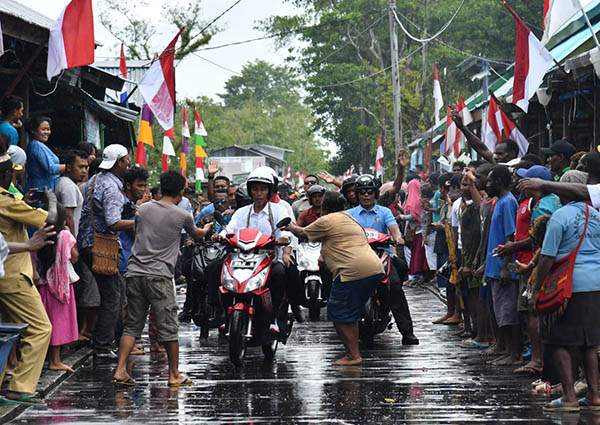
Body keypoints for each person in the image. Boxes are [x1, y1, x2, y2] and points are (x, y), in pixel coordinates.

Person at [113, 171, 212, 387]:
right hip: (159, 275)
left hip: (135, 272)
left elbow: (138, 233)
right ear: (181, 192)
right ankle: (174, 374)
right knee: (168, 326)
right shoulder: (181, 215)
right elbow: (195, 235)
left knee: (132, 325)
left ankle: (120, 370)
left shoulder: (142, 210)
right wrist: (206, 230)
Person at [285, 191, 384, 365]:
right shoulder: (349, 218)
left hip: (350, 272)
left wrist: (289, 226)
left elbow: (302, 233)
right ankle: (353, 354)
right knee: (350, 314)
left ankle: (353, 355)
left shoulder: (327, 220)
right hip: (374, 268)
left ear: (325, 207)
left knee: (337, 313)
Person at [0, 153, 57, 407]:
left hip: (7, 272)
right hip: (13, 276)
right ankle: (20, 388)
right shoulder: (6, 201)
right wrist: (53, 200)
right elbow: (51, 220)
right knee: (40, 328)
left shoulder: (10, 200)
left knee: (7, 335)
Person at [533, 198, 600, 412]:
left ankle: (569, 397)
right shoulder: (596, 215)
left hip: (569, 285)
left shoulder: (560, 217)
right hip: (596, 282)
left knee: (558, 340)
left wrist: (536, 289)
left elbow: (547, 256)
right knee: (589, 343)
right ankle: (594, 395)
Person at [218, 166, 294, 333]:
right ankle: (222, 314)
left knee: (281, 273)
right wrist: (221, 235)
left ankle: (274, 318)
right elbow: (230, 229)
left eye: (263, 189)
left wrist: (284, 243)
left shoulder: (279, 210)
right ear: (250, 191)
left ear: (269, 191)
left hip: (269, 259)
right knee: (214, 268)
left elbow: (287, 234)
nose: (259, 193)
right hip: (242, 258)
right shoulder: (242, 212)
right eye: (255, 189)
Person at [347, 174, 418, 345]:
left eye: (369, 192)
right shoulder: (348, 214)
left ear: (375, 194)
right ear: (357, 194)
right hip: (357, 257)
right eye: (362, 192)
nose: (366, 195)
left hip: (382, 255)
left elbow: (394, 228)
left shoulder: (384, 212)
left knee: (394, 286)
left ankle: (407, 333)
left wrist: (398, 237)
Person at [77, 144, 134, 357]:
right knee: (112, 295)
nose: (128, 163)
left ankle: (103, 340)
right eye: (126, 159)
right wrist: (139, 222)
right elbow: (113, 222)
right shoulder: (111, 186)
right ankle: (101, 345)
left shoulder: (96, 179)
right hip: (98, 244)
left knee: (114, 290)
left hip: (87, 242)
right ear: (119, 162)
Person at [485, 165, 521, 366]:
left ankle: (514, 354)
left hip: (503, 267)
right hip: (494, 266)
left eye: (490, 181)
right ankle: (508, 350)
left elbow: (511, 236)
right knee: (501, 313)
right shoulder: (498, 202)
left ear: (498, 181)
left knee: (509, 314)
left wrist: (506, 267)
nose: (487, 185)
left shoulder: (508, 203)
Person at [38, 210, 79, 374]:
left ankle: (46, 359)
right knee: (59, 323)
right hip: (62, 286)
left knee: (46, 321)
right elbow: (74, 257)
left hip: (44, 283)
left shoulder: (40, 234)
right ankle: (55, 360)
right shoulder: (64, 236)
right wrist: (69, 235)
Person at [451, 110, 519, 164]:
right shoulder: (498, 164)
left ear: (512, 153)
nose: (496, 157)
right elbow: (480, 148)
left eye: (500, 154)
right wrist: (462, 127)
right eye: (496, 153)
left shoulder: (521, 168)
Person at [25, 117, 65, 192]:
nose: (47, 132)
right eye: (43, 129)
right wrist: (70, 167)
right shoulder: (36, 145)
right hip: (40, 189)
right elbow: (51, 168)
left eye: (48, 129)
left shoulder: (38, 145)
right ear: (33, 130)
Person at [56, 150, 88, 237]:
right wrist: (73, 243)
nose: (84, 171)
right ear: (69, 168)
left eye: (86, 167)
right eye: (80, 167)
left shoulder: (65, 182)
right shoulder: (68, 186)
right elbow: (68, 216)